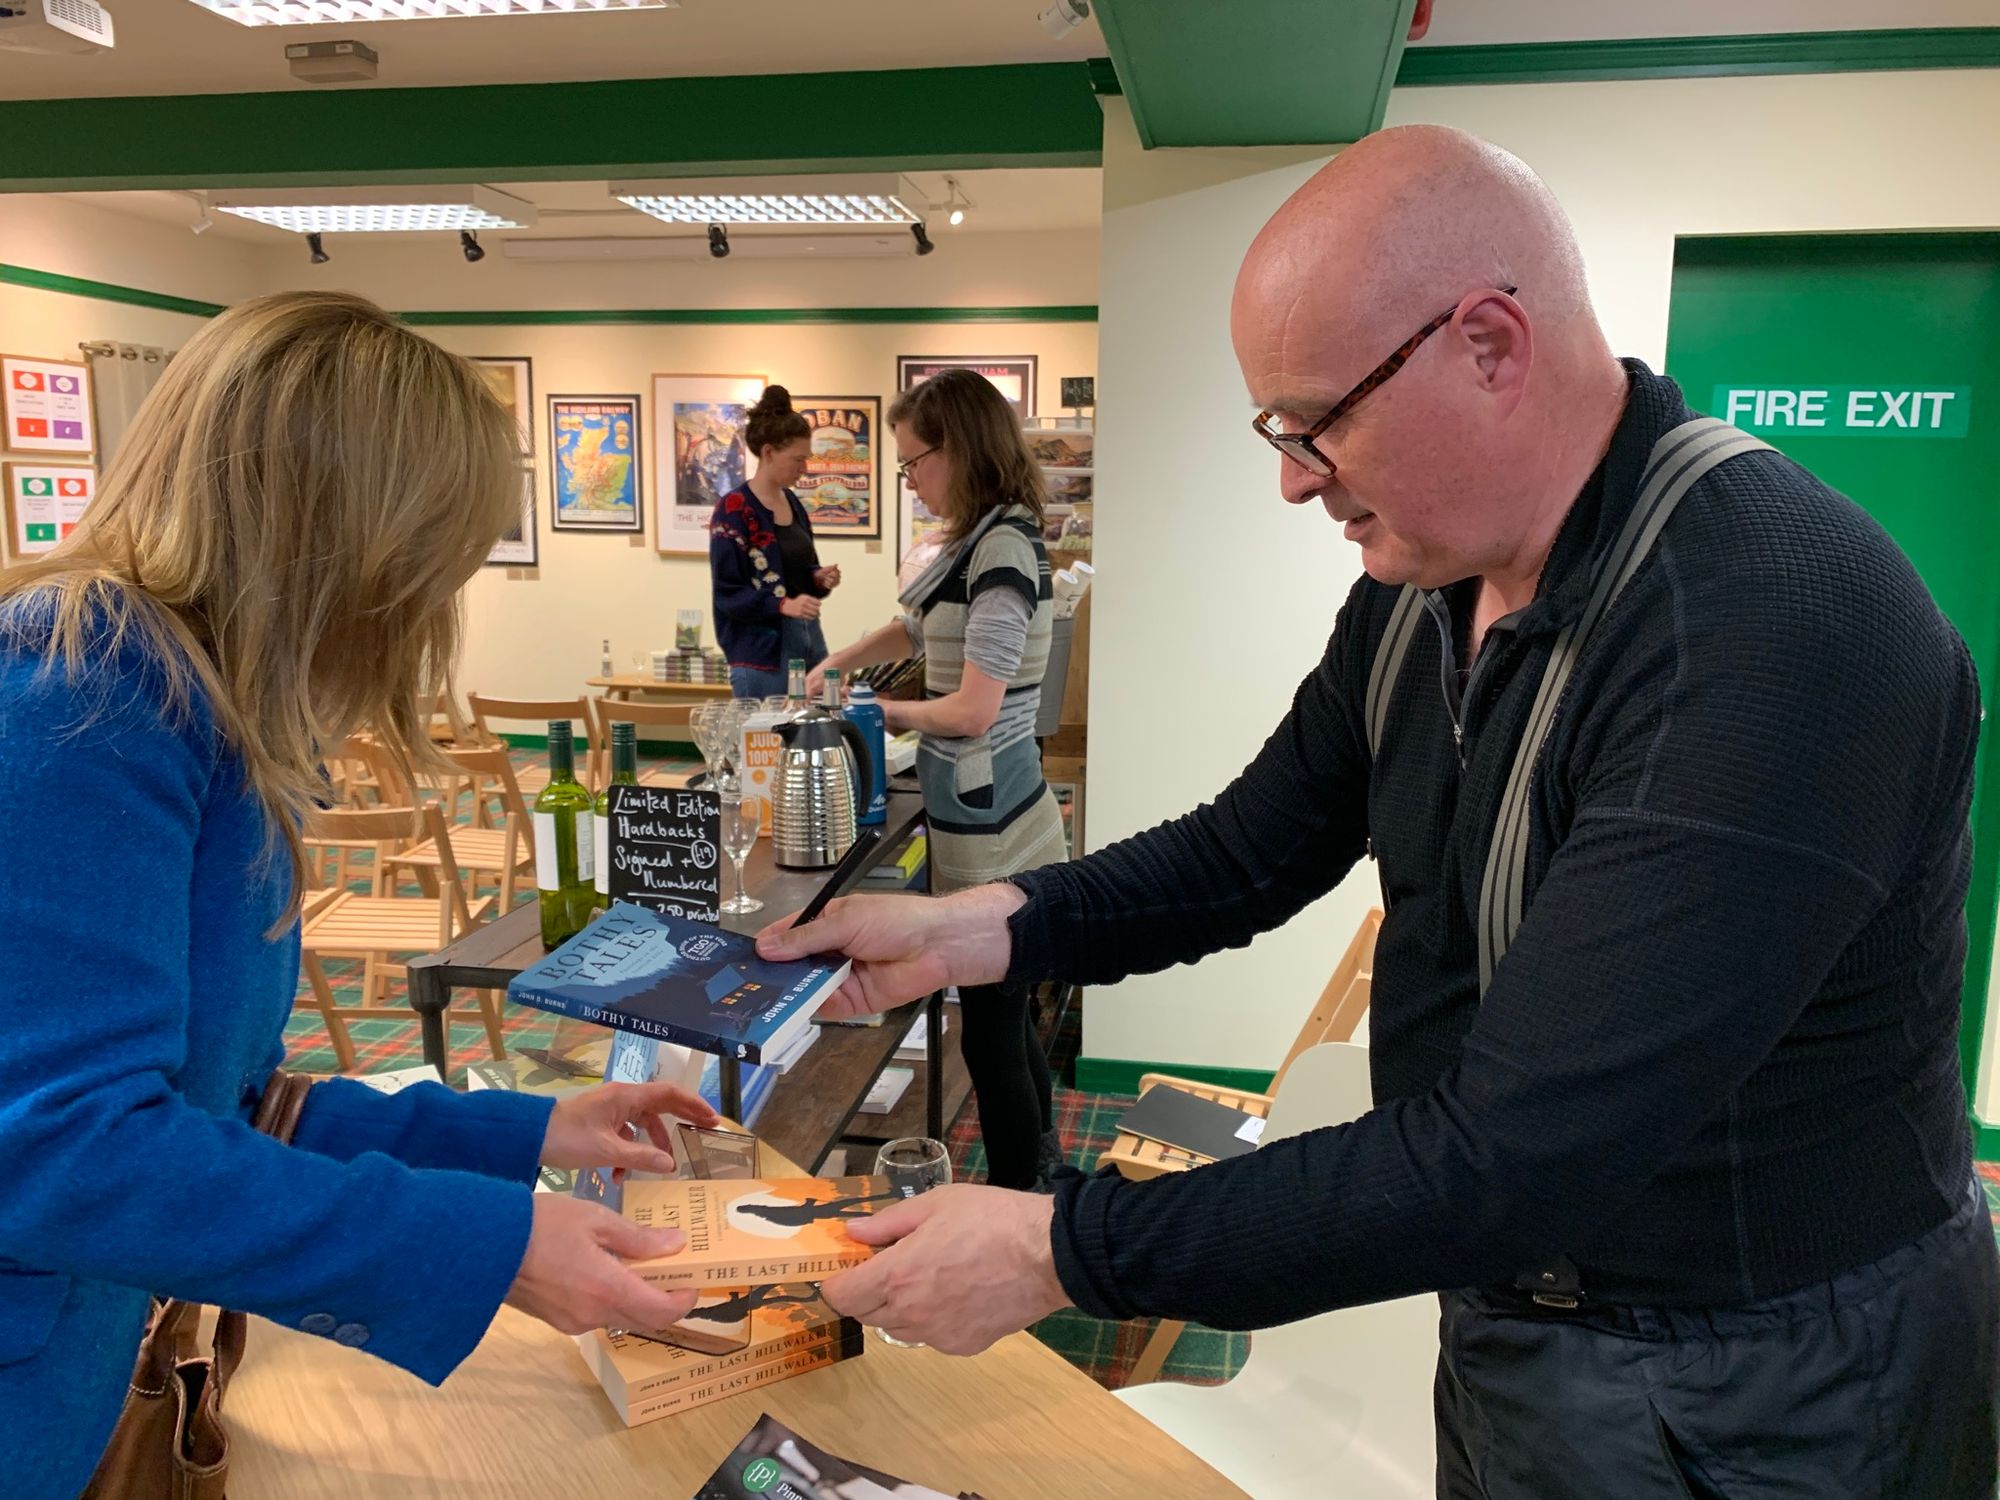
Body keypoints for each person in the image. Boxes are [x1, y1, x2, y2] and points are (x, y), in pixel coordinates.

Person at [759, 126, 2000, 1498]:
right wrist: (976, 929)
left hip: (1770, 1377)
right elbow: (1250, 849)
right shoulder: (1427, 584)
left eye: (1318, 421)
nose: (1293, 477)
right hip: (1515, 1314)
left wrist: (1061, 1249)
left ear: (1488, 343)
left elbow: (1512, 1155)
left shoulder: (1778, 625)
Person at [0, 291, 714, 1499]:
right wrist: (487, 1247)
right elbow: (61, 1146)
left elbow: (225, 1106)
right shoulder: (88, 688)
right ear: (355, 537)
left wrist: (528, 1134)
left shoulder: (201, 701)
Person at [811, 369, 1068, 1190]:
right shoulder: (984, 537)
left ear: (959, 450)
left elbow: (974, 713)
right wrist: (847, 657)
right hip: (984, 807)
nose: (911, 481)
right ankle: (1043, 1168)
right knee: (1007, 1006)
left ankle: (1019, 1198)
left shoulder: (1001, 548)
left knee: (988, 1025)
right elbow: (918, 622)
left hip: (995, 820)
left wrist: (884, 715)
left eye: (914, 463)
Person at [710, 385, 841, 698]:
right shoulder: (732, 510)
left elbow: (799, 571)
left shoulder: (794, 503)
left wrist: (818, 578)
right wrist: (783, 605)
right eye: (798, 459)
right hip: (761, 657)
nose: (804, 468)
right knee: (765, 744)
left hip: (808, 642)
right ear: (768, 452)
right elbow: (729, 594)